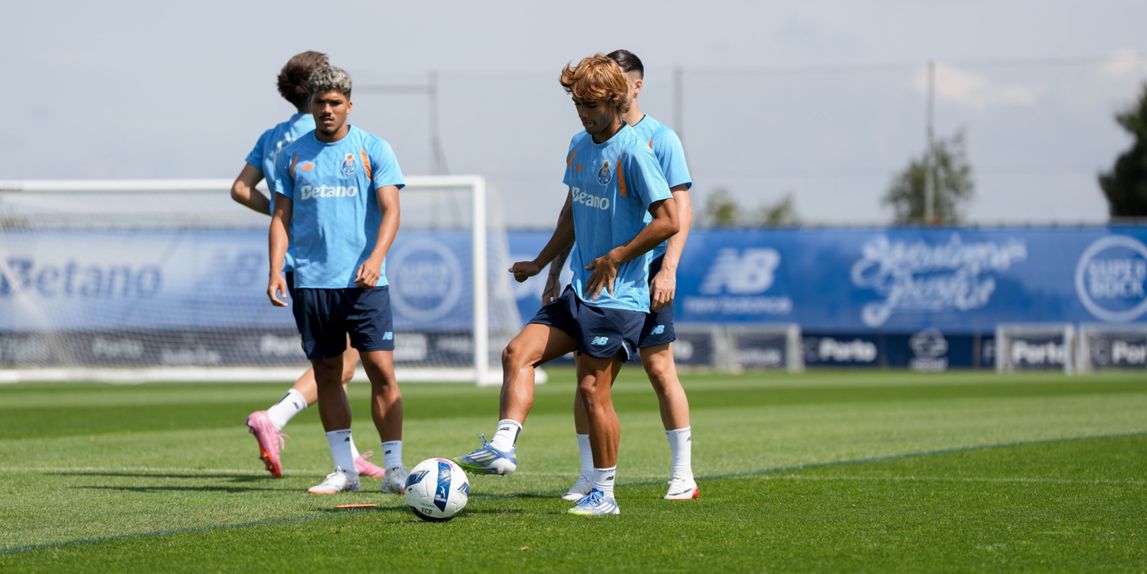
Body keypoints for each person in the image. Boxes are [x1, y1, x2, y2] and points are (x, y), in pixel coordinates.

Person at [454, 54, 679, 516]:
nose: (583, 113)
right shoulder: (579, 145)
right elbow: (572, 211)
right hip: (581, 290)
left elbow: (669, 220)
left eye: (592, 105)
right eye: (578, 103)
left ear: (616, 100)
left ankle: (605, 494)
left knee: (592, 388)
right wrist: (542, 264)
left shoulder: (636, 151)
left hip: (621, 299)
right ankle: (502, 446)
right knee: (517, 352)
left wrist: (618, 255)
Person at [543, 49, 699, 502]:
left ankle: (682, 473)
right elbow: (578, 211)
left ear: (635, 85)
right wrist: (554, 270)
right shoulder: (588, 141)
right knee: (587, 377)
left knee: (659, 367)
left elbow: (678, 211)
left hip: (645, 273)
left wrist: (668, 268)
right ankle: (590, 475)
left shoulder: (658, 138)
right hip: (596, 280)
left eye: (625, 81)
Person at [231, 51, 385, 481]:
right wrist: (299, 217)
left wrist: (285, 219)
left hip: (295, 266)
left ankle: (347, 456)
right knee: (344, 363)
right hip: (331, 264)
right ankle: (276, 417)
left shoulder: (272, 136)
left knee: (332, 361)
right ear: (313, 92)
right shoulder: (316, 135)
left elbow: (241, 189)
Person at [267, 65, 408, 495]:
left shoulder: (373, 148)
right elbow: (280, 217)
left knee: (381, 371)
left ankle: (395, 468)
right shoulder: (291, 154)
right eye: (319, 103)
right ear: (309, 105)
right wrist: (276, 268)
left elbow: (391, 210)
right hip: (311, 282)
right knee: (326, 374)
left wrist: (376, 257)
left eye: (334, 103)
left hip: (365, 282)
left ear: (349, 104)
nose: (326, 110)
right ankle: (345, 470)